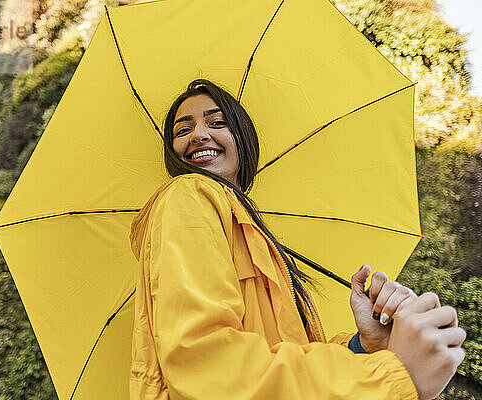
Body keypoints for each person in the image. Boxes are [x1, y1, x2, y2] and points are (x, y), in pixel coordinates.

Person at [128, 79, 466, 399]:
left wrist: (365, 345)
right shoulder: (188, 195)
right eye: (183, 130)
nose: (198, 134)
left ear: (243, 139)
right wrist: (388, 377)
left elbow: (290, 352)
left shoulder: (256, 233)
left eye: (216, 123)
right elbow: (207, 365)